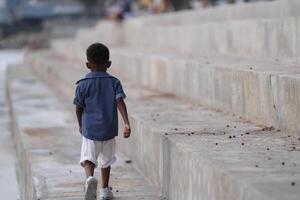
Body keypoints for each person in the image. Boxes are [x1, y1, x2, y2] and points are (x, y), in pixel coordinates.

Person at [73, 43, 131, 200]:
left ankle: (89, 179)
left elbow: (78, 108)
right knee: (106, 161)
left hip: (90, 130)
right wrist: (126, 123)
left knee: (88, 158)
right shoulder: (114, 82)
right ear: (109, 64)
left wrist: (80, 125)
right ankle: (105, 190)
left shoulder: (82, 85)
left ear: (87, 64)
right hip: (108, 130)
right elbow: (120, 102)